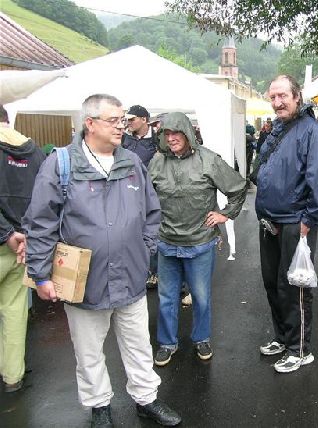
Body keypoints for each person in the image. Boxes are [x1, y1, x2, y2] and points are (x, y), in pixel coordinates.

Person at [22, 94, 181, 427]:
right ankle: (99, 407)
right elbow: (40, 222)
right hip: (85, 282)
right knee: (89, 350)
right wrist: (40, 275)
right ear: (90, 123)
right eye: (114, 120)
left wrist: (145, 247)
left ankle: (146, 398)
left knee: (139, 345)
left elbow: (152, 211)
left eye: (123, 120)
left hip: (132, 276)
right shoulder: (62, 163)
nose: (121, 126)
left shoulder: (131, 162)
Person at [148, 112, 246, 366]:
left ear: (188, 133)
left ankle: (201, 337)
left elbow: (237, 188)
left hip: (200, 243)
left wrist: (225, 214)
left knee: (201, 297)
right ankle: (167, 343)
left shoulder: (208, 160)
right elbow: (145, 199)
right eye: (166, 134)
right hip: (167, 242)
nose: (171, 139)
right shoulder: (157, 163)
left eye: (175, 133)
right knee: (167, 298)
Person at [255, 75, 318, 374]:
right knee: (272, 283)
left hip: (294, 222)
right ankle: (282, 337)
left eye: (282, 96)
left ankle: (300, 349)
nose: (277, 102)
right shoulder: (279, 128)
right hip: (270, 220)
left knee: (294, 287)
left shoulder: (311, 131)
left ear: (297, 96)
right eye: (273, 97)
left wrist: (309, 220)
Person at [0, 105, 45, 393]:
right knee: (15, 310)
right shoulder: (35, 151)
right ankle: (12, 376)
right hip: (22, 246)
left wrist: (6, 233)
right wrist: (27, 235)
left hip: (7, 239)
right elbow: (44, 200)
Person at [123, 105, 160, 288]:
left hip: (153, 194)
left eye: (132, 119)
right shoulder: (123, 139)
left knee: (152, 231)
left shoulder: (159, 139)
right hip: (128, 194)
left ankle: (154, 271)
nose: (129, 123)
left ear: (144, 119)